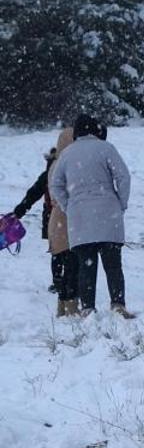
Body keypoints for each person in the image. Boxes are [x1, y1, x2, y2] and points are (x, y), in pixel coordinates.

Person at [48, 115, 134, 319]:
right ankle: (118, 305)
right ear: (96, 130)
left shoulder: (67, 154)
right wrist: (121, 202)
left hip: (80, 216)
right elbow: (123, 176)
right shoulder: (106, 148)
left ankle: (87, 308)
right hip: (108, 213)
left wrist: (68, 205)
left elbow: (56, 184)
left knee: (87, 265)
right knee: (113, 265)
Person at [7, 133, 78, 316]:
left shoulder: (53, 166)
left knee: (56, 250)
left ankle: (58, 281)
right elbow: (36, 191)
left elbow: (34, 192)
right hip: (58, 214)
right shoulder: (66, 166)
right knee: (62, 251)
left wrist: (20, 210)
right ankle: (60, 283)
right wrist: (19, 211)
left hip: (51, 216)